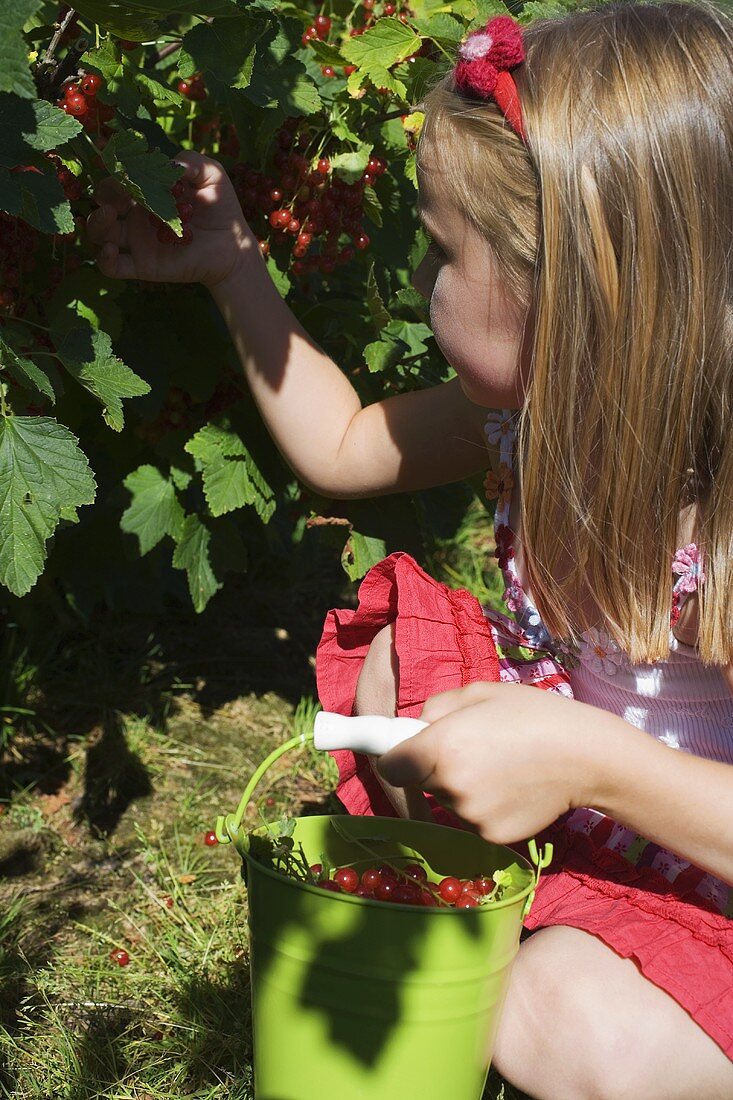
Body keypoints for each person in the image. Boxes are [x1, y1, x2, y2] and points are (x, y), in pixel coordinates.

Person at [87, 1, 733, 1094]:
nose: (421, 279)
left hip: (706, 871)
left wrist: (591, 758)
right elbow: (341, 449)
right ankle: (524, 915)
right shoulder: (528, 424)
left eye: (441, 250)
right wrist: (233, 270)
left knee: (561, 1026)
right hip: (585, 812)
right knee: (399, 663)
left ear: (572, 294)